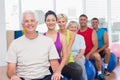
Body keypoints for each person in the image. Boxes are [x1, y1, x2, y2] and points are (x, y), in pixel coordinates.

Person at [7, 11, 63, 80]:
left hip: (45, 77)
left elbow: (55, 65)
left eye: (32, 20)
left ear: (36, 23)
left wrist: (57, 72)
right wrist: (13, 75)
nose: (30, 23)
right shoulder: (15, 44)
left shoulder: (48, 41)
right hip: (24, 78)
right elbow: (10, 69)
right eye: (26, 21)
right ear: (22, 24)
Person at [44, 10, 82, 80]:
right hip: (47, 65)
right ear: (45, 22)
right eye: (48, 20)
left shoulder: (62, 37)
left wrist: (59, 70)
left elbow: (65, 55)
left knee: (78, 70)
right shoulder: (42, 37)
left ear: (55, 21)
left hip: (60, 63)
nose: (51, 22)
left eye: (53, 20)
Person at [77, 14, 105, 80]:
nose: (82, 21)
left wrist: (88, 54)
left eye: (84, 20)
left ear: (87, 21)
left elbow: (96, 46)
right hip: (80, 53)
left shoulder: (92, 31)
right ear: (79, 21)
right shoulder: (76, 31)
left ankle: (99, 73)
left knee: (97, 56)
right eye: (81, 20)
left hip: (90, 52)